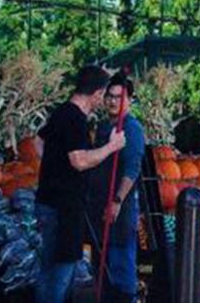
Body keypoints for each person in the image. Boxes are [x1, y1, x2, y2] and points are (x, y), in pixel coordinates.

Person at [34, 66, 126, 303]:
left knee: (48, 268)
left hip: (49, 201)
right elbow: (79, 160)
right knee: (61, 272)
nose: (104, 99)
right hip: (64, 208)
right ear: (96, 93)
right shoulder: (75, 119)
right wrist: (111, 147)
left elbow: (37, 142)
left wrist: (54, 166)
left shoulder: (61, 112)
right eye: (104, 93)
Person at [88, 72, 146, 303]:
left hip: (118, 210)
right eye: (109, 96)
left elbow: (132, 169)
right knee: (101, 266)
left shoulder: (131, 129)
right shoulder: (103, 128)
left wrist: (117, 200)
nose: (113, 101)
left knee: (120, 264)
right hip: (97, 205)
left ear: (129, 100)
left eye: (119, 97)